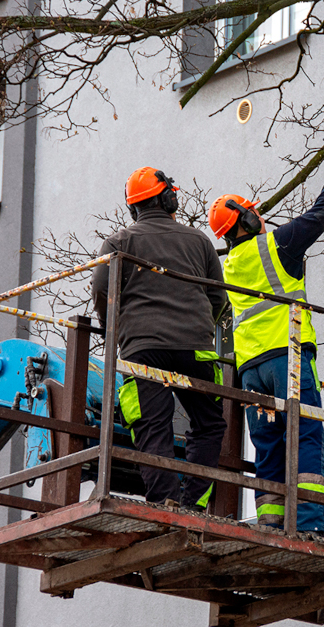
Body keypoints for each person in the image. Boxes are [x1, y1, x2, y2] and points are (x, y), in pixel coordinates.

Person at [208, 144, 324, 534]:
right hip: (287, 359)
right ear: (245, 218)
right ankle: (309, 525)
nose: (260, 215)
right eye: (253, 211)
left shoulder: (227, 267)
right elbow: (322, 211)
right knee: (308, 434)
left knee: (269, 446)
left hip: (250, 371)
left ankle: (271, 525)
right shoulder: (276, 245)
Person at [92, 166, 227, 510]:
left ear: (133, 208)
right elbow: (218, 300)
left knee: (151, 426)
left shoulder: (119, 242)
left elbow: (103, 292)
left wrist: (120, 335)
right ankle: (194, 503)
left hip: (143, 351)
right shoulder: (200, 242)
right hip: (196, 350)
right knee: (209, 424)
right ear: (169, 198)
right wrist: (197, 329)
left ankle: (164, 501)